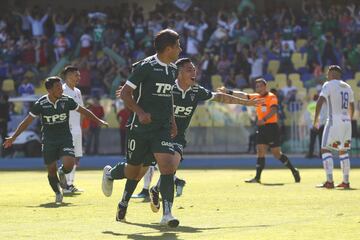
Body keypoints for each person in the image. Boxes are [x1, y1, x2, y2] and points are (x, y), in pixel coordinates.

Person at [133, 58, 262, 201]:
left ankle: (158, 195)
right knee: (138, 170)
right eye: (189, 69)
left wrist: (245, 102)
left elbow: (219, 97)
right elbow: (147, 96)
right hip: (159, 133)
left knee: (168, 168)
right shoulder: (167, 88)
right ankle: (128, 190)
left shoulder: (196, 90)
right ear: (179, 72)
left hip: (178, 136)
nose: (194, 72)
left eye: (195, 69)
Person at [102, 29, 182, 227]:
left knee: (168, 166)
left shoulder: (173, 70)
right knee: (133, 172)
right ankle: (112, 175)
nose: (180, 49)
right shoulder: (146, 67)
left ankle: (167, 214)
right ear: (168, 48)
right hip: (140, 128)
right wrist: (140, 112)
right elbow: (126, 93)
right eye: (178, 46)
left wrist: (172, 120)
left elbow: (169, 96)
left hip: (161, 128)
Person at [3, 77, 108, 204]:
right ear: (49, 89)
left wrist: (98, 120)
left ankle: (62, 171)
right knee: (51, 170)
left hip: (65, 138)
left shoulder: (67, 100)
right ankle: (58, 192)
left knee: (69, 164)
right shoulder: (41, 104)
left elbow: (83, 110)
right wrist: (13, 137)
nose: (61, 90)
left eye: (61, 87)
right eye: (58, 87)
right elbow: (26, 122)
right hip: (48, 141)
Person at [219, 79, 301, 183]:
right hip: (262, 127)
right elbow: (243, 95)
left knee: (276, 154)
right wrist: (228, 91)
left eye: (260, 86)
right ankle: (257, 178)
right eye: (257, 86)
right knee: (260, 151)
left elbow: (274, 110)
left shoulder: (271, 97)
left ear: (265, 87)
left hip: (271, 127)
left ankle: (294, 170)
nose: (258, 88)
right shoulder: (256, 97)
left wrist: (264, 120)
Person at [313, 65, 354, 189]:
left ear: (332, 74)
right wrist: (349, 119)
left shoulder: (328, 84)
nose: (327, 75)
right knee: (343, 151)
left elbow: (320, 101)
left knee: (325, 149)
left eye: (328, 73)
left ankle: (329, 181)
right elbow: (352, 105)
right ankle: (346, 182)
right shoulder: (348, 86)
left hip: (333, 120)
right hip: (346, 121)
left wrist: (316, 119)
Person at [62, 66, 84, 193]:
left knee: (76, 157)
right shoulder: (62, 90)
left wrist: (80, 127)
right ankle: (64, 185)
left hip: (76, 128)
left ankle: (70, 184)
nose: (79, 78)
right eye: (77, 75)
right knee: (67, 157)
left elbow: (81, 110)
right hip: (67, 128)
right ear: (69, 76)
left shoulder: (78, 91)